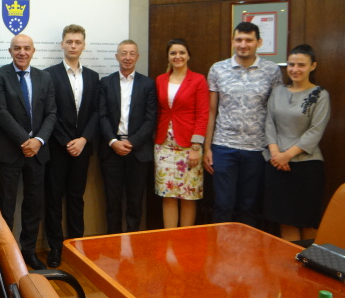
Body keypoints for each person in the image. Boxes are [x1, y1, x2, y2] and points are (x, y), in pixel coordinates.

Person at [204, 22, 283, 227]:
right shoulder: (218, 69)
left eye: (249, 40)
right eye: (239, 40)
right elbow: (211, 111)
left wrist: (274, 148)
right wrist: (207, 148)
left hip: (257, 149)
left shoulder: (272, 71)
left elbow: (275, 113)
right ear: (232, 41)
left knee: (249, 206)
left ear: (259, 42)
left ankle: (246, 248)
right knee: (223, 204)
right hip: (223, 146)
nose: (243, 44)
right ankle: (220, 247)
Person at [0, 34, 56, 270]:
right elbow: (0, 111)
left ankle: (28, 251)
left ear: (33, 51)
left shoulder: (44, 77)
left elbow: (51, 113)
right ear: (10, 51)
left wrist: (38, 141)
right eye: (17, 48)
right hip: (10, 152)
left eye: (26, 48)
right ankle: (6, 254)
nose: (22, 52)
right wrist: (25, 141)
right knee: (6, 206)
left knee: (33, 205)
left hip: (37, 153)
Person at [43, 25, 99, 268]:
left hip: (82, 147)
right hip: (57, 148)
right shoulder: (49, 75)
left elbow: (96, 112)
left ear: (83, 45)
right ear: (62, 44)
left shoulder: (93, 77)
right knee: (54, 198)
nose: (73, 45)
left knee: (77, 198)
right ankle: (55, 247)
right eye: (69, 41)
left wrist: (83, 139)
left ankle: (77, 246)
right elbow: (49, 112)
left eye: (77, 42)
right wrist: (67, 141)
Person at [262, 44, 330, 241]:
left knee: (306, 220)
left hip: (306, 166)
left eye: (301, 65)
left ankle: (310, 259)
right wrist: (276, 154)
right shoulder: (278, 92)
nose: (295, 69)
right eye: (291, 64)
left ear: (312, 66)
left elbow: (315, 130)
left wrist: (287, 155)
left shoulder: (320, 95)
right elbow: (269, 123)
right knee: (285, 220)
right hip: (276, 164)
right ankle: (291, 261)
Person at [99, 39, 157, 234]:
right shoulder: (105, 83)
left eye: (132, 53)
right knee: (112, 203)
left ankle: (133, 241)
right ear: (117, 56)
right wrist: (113, 141)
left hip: (138, 152)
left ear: (137, 57)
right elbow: (101, 116)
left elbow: (151, 119)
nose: (127, 57)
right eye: (123, 53)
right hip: (111, 151)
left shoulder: (148, 84)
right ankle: (113, 241)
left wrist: (132, 142)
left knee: (135, 203)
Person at [154, 38, 209, 228]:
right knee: (167, 194)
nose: (177, 56)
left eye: (181, 53)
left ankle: (185, 238)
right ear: (168, 57)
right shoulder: (160, 80)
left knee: (188, 195)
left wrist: (196, 146)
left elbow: (203, 114)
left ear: (188, 56)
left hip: (189, 147)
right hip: (164, 146)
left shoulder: (198, 80)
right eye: (173, 53)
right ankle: (170, 237)